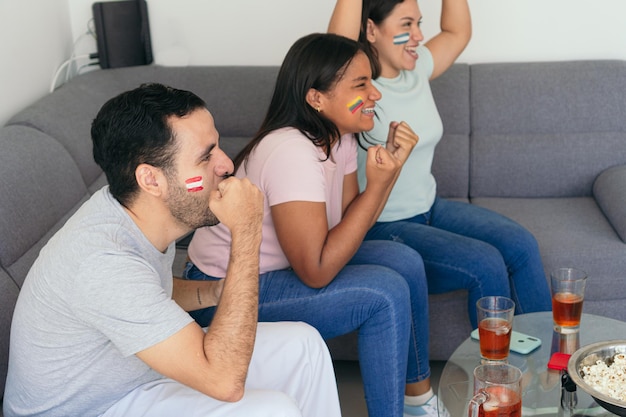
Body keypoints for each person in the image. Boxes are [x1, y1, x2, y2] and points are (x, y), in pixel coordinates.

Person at [2, 83, 341, 417]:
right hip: (92, 407)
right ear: (151, 180)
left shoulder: (137, 214)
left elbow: (146, 292)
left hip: (132, 376)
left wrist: (217, 292)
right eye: (205, 156)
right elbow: (224, 381)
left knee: (303, 345)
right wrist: (246, 230)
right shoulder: (102, 262)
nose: (225, 165)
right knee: (272, 411)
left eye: (217, 147)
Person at [185, 33, 439, 417]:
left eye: (371, 81)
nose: (375, 94)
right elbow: (316, 270)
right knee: (384, 292)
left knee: (405, 261)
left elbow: (355, 224)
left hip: (280, 268)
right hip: (225, 290)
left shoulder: (341, 138)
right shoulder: (291, 151)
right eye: (360, 85)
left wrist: (389, 172)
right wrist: (383, 183)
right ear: (316, 98)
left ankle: (419, 401)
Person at [328, 0, 552, 329]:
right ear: (371, 30)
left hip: (430, 208)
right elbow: (336, 47)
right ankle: (497, 376)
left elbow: (456, 30)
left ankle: (551, 364)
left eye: (420, 23)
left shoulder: (416, 69)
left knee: (521, 245)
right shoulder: (353, 87)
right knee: (486, 262)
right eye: (407, 25)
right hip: (382, 223)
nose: (418, 35)